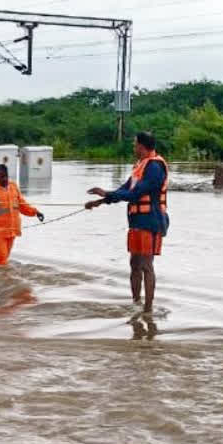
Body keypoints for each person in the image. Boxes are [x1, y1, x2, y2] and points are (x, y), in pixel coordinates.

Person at [84, 131, 169, 314]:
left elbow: (135, 194)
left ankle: (148, 311)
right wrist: (100, 201)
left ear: (141, 146)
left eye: (135, 144)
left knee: (146, 265)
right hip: (136, 221)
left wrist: (106, 193)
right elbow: (124, 190)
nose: (133, 147)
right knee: (135, 264)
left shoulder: (155, 167)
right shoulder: (140, 166)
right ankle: (136, 304)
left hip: (151, 220)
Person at [0, 164, 43, 265]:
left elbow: (22, 205)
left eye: (5, 176)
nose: (4, 179)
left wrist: (35, 212)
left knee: (4, 256)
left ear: (8, 175)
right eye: (1, 177)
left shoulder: (13, 187)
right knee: (2, 256)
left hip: (12, 229)